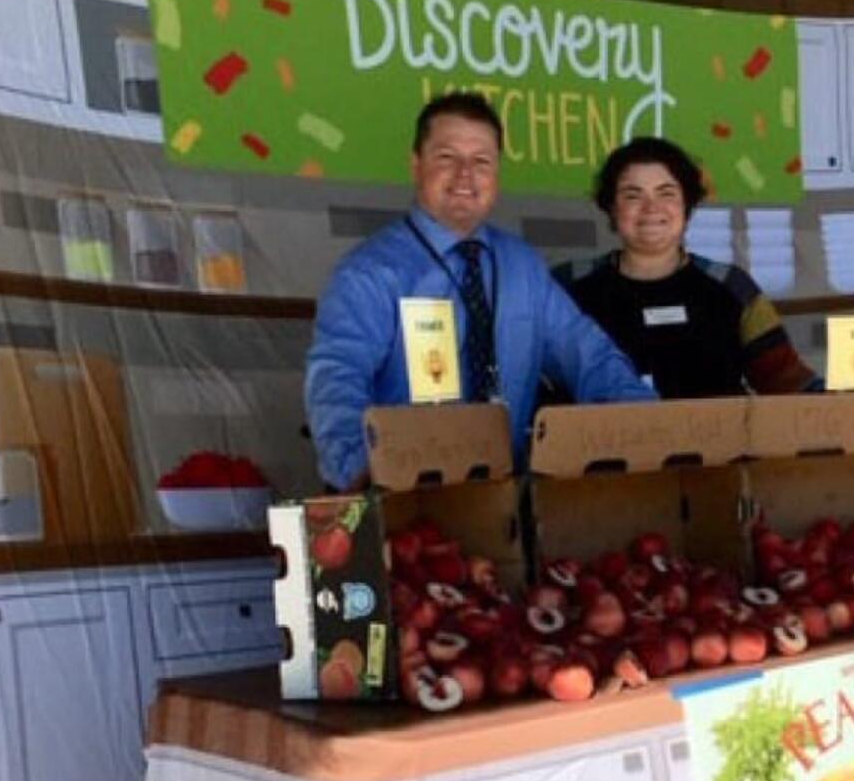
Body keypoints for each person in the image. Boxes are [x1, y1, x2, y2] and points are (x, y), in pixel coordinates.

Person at [305, 93, 656, 490]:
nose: (465, 176)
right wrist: (361, 473)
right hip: (405, 502)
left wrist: (647, 430)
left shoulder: (524, 268)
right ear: (416, 164)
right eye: (447, 158)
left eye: (481, 162)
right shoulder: (370, 274)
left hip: (506, 501)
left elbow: (589, 356)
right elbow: (337, 380)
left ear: (497, 174)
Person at [553, 137, 822, 400]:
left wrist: (845, 405)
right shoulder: (566, 288)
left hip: (720, 444)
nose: (651, 208)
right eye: (632, 195)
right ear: (611, 207)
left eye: (666, 193)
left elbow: (784, 377)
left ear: (687, 205)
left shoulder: (731, 286)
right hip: (601, 443)